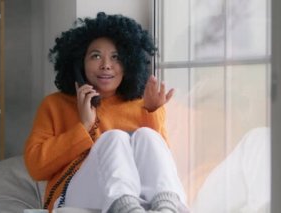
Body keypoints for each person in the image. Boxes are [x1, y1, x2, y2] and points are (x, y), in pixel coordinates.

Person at [24, 12, 188, 213]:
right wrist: (83, 127)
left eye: (116, 57)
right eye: (96, 56)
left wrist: (152, 112)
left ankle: (167, 209)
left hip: (140, 197)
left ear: (129, 63)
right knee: (115, 138)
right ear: (79, 61)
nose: (106, 65)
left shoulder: (143, 105)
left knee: (148, 136)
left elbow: (159, 170)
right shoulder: (55, 104)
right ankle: (127, 209)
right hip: (72, 195)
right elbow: (36, 168)